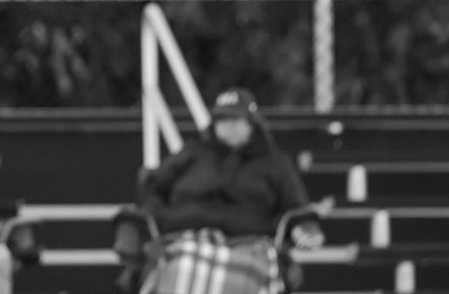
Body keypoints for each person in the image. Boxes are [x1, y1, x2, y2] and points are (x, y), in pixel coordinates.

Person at [135, 87, 324, 247]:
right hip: (182, 238)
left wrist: (303, 227)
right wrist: (155, 215)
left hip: (248, 244)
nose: (227, 126)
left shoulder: (275, 163)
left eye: (234, 120)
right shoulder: (192, 153)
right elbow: (152, 187)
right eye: (222, 121)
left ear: (252, 124)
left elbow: (296, 208)